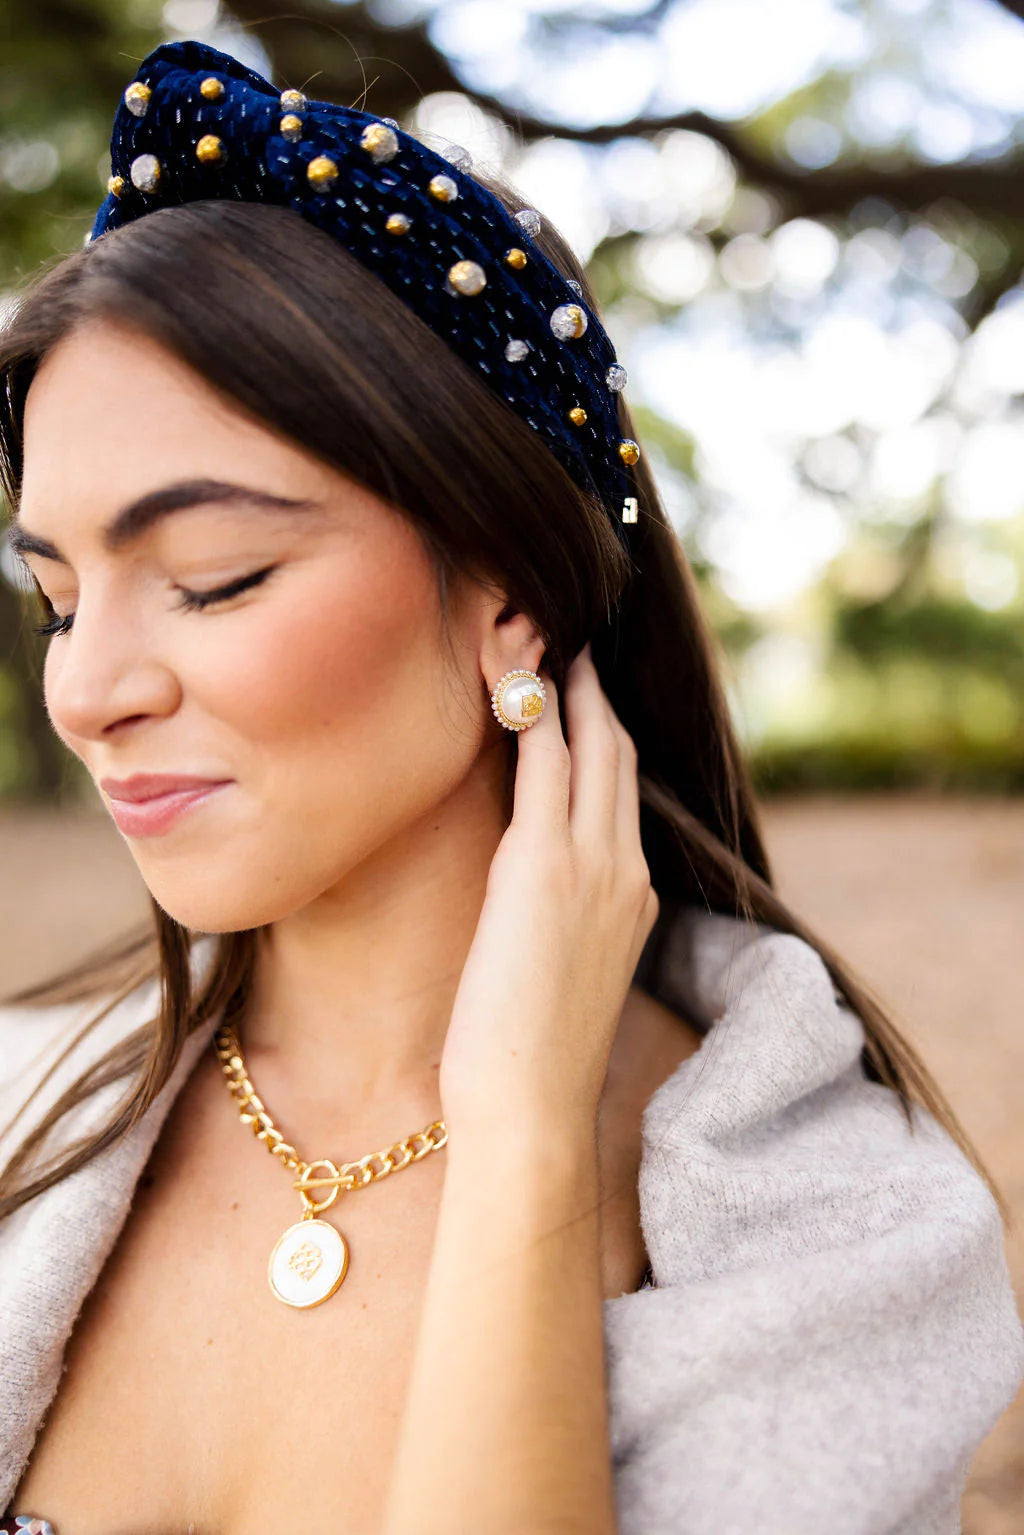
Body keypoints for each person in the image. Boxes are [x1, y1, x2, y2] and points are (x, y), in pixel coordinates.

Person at [0, 37, 1021, 1535]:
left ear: (508, 596)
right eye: (58, 602)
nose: (88, 693)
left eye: (215, 581)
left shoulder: (840, 1242)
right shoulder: (25, 1102)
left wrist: (527, 1144)